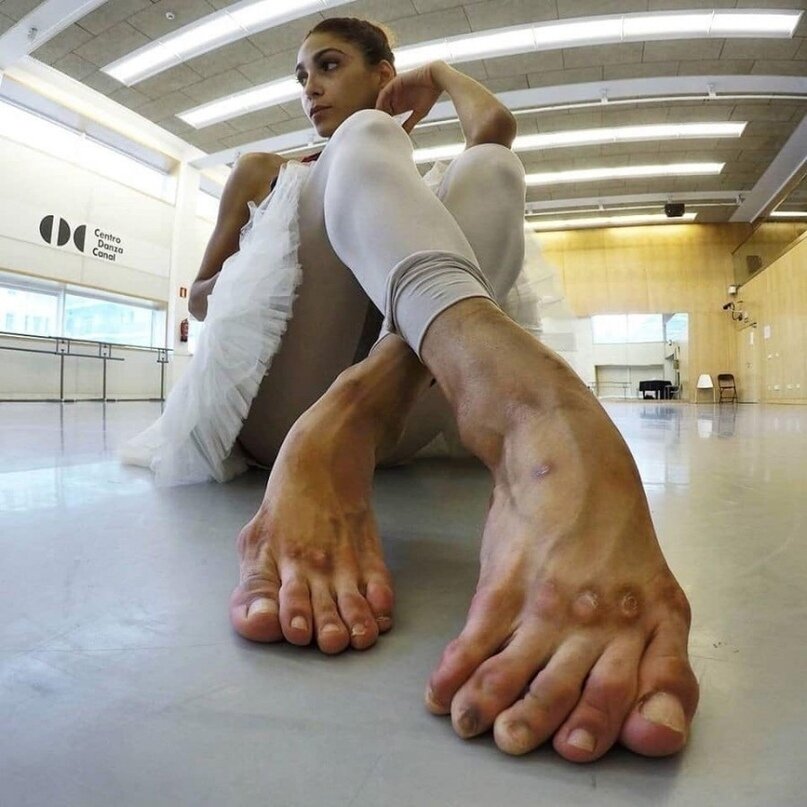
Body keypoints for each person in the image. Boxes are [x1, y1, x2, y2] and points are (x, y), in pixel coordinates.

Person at [128, 18, 699, 762]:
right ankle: (533, 409)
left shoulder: (417, 187)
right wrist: (254, 266)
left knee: (489, 170)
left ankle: (362, 407)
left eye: (328, 66)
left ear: (382, 73)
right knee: (362, 140)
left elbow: (494, 132)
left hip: (400, 426)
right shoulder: (264, 169)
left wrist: (441, 76)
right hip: (282, 403)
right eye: (301, 76)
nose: (309, 89)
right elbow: (201, 295)